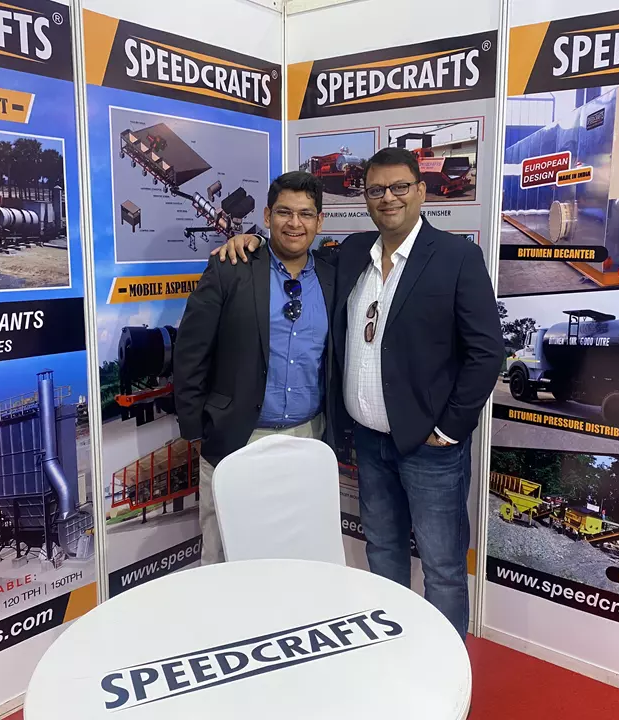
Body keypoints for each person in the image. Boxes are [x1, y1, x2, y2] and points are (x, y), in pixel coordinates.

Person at [212, 149, 504, 640]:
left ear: (421, 191)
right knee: (383, 553)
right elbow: (292, 248)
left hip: (431, 449)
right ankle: (392, 651)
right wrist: (252, 240)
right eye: (376, 190)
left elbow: (487, 352)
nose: (388, 198)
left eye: (399, 187)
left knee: (443, 568)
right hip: (369, 443)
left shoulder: (456, 257)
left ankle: (446, 668)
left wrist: (448, 429)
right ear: (365, 197)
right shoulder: (352, 253)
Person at [174, 171, 334, 566]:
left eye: (305, 214)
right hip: (237, 439)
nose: (294, 223)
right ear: (266, 216)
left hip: (308, 439)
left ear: (319, 221)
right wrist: (196, 428)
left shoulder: (334, 274)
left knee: (297, 556)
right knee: (223, 556)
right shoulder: (231, 266)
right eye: (283, 212)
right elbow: (191, 351)